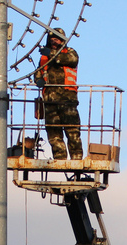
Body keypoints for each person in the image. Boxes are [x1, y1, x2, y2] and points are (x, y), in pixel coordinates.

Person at [33, 28, 83, 161]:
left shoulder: (70, 53)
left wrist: (51, 54)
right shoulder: (44, 58)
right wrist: (38, 80)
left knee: (72, 131)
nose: (54, 42)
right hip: (49, 101)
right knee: (53, 132)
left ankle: (76, 158)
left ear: (62, 40)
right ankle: (59, 157)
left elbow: (71, 60)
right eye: (52, 39)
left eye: (57, 39)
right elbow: (38, 72)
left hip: (67, 99)